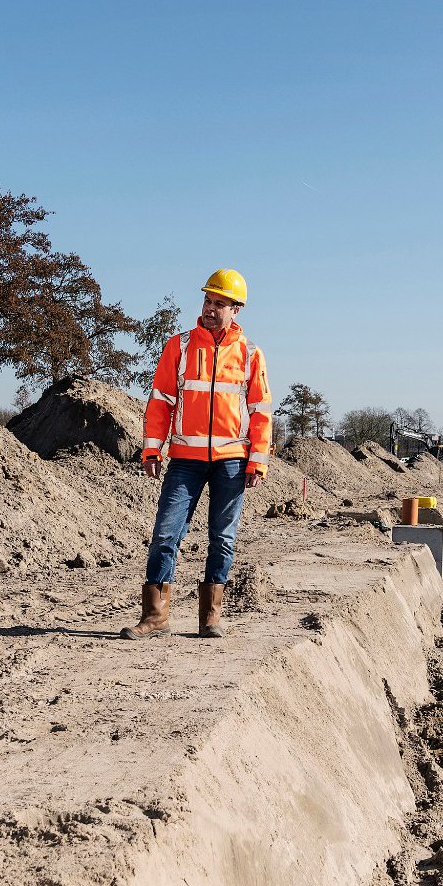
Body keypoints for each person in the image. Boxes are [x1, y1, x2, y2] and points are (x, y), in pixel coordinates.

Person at [122, 269, 272, 639]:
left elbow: (261, 410)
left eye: (219, 303)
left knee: (222, 538)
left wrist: (258, 460)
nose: (210, 308)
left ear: (236, 310)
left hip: (233, 461)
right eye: (207, 300)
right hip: (185, 460)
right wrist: (152, 450)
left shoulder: (251, 354)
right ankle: (155, 617)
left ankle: (210, 618)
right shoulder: (181, 346)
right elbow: (160, 402)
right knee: (165, 533)